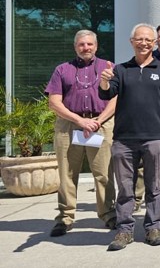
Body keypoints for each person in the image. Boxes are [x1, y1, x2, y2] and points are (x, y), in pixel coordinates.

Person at [98, 24, 160, 251]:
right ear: (131, 41)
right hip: (124, 138)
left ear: (154, 43)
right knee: (125, 188)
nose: (144, 43)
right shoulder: (121, 70)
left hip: (154, 137)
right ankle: (125, 231)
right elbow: (107, 93)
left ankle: (153, 227)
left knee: (154, 187)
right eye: (139, 39)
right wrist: (104, 80)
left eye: (148, 39)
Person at [46, 29, 117, 236]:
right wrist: (80, 121)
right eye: (81, 44)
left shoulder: (108, 67)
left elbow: (116, 99)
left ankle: (108, 213)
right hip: (69, 125)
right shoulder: (62, 69)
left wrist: (98, 121)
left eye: (89, 44)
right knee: (67, 173)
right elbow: (54, 102)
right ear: (75, 46)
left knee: (103, 172)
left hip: (100, 123)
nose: (86, 48)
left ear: (96, 45)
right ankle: (65, 217)